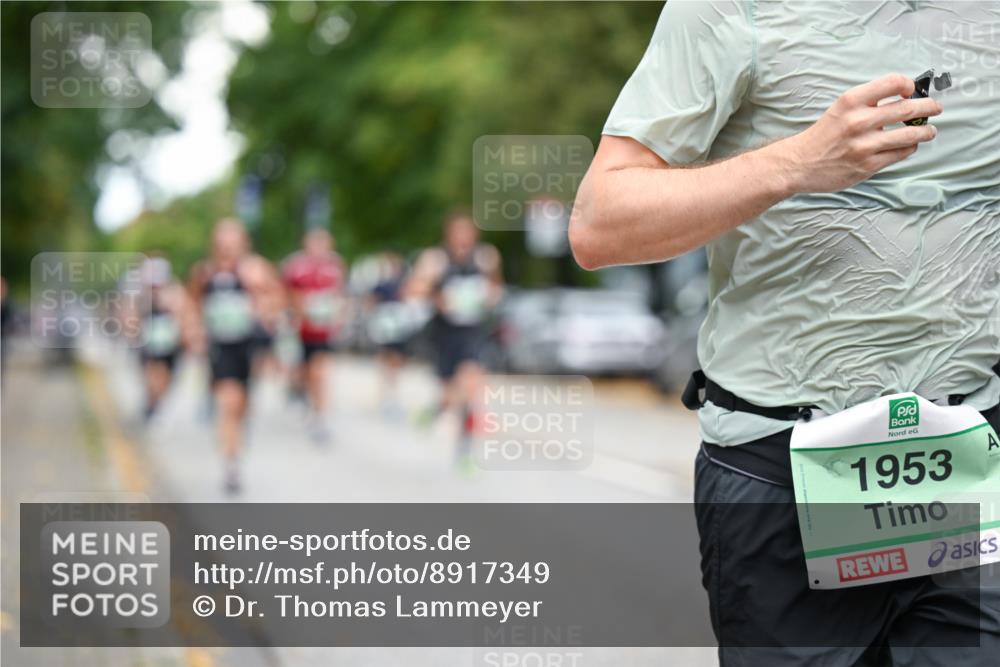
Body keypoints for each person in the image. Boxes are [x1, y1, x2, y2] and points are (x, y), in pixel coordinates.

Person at [569, 2, 1000, 665]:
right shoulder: (729, 10)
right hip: (781, 467)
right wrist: (797, 162)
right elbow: (600, 224)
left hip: (967, 454)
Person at [189, 218, 283, 494]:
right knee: (227, 402)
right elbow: (192, 304)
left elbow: (277, 301)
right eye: (222, 242)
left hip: (250, 345)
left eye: (233, 242)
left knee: (243, 403)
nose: (227, 248)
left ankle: (240, 431)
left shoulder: (257, 270)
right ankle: (231, 465)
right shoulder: (204, 273)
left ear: (244, 243)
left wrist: (263, 305)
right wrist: (195, 333)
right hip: (221, 346)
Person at [407, 211, 503, 471]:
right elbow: (413, 290)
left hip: (472, 332)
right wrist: (437, 296)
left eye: (467, 232)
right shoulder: (435, 259)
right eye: (457, 232)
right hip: (444, 334)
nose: (463, 238)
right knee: (451, 395)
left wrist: (489, 295)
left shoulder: (486, 257)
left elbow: (496, 288)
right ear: (448, 234)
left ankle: (465, 452)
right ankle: (437, 409)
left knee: (471, 388)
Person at [281, 228, 347, 444]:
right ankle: (300, 392)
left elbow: (340, 294)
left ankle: (320, 417)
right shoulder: (295, 267)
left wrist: (339, 315)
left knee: (320, 371)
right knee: (305, 371)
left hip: (323, 331)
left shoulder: (335, 267)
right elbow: (287, 295)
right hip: (301, 329)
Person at [134, 255, 194, 421]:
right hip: (149, 345)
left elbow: (186, 315)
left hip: (170, 346)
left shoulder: (175, 293)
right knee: (152, 379)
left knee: (165, 380)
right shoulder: (141, 295)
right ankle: (151, 405)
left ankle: (155, 406)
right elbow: (131, 317)